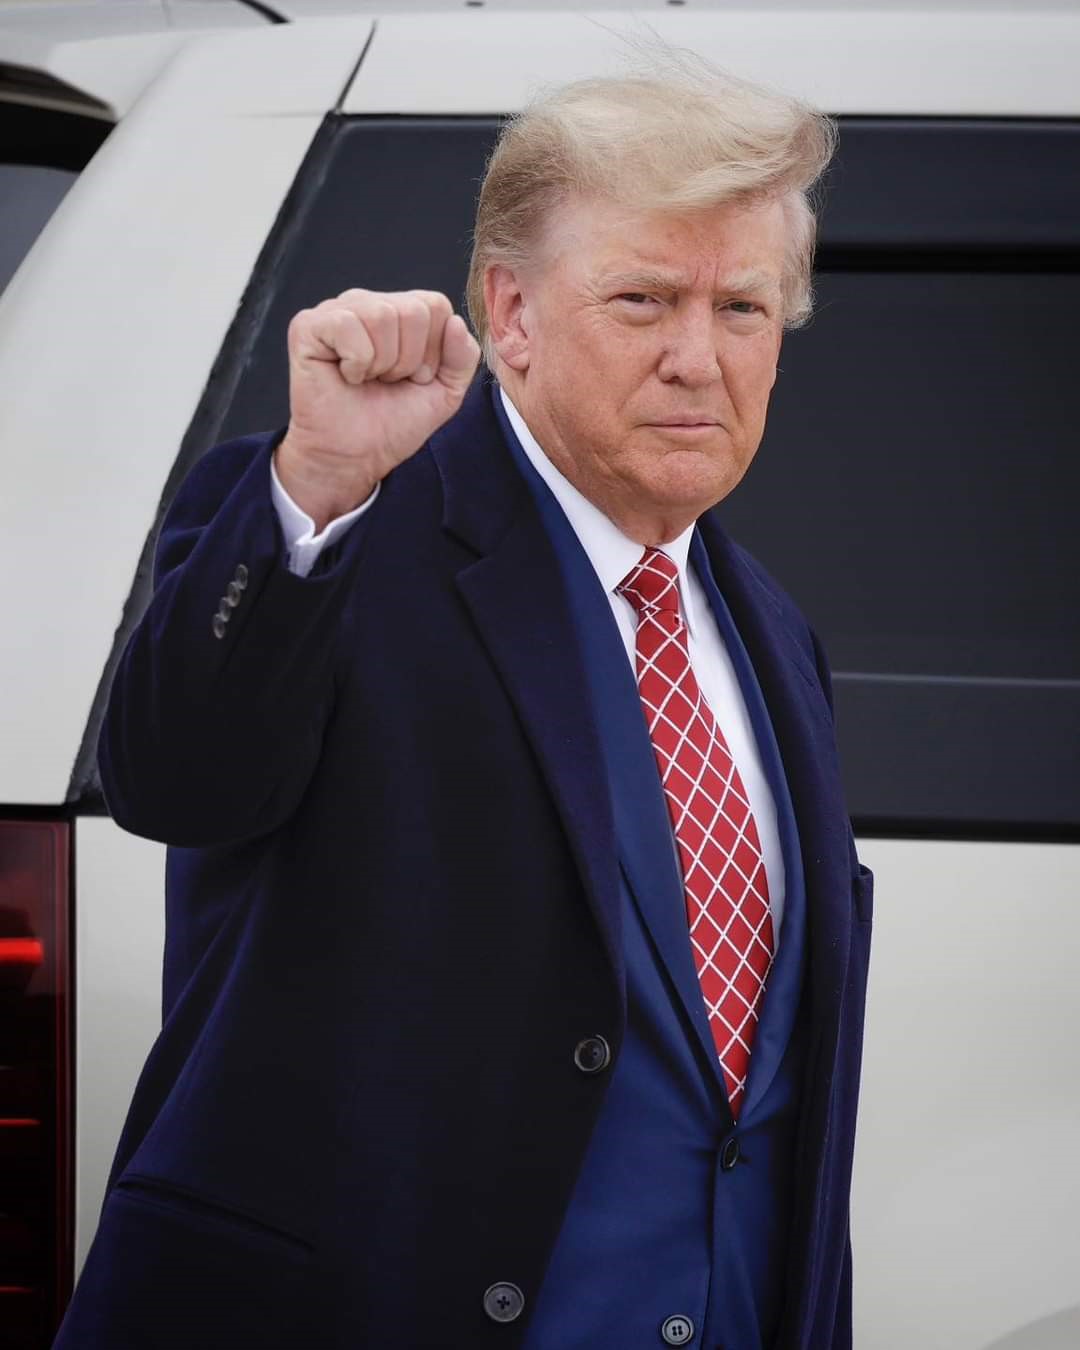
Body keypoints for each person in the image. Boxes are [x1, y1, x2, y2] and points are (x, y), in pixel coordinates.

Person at [56, 62, 873, 1350]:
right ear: (513, 312)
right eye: (643, 299)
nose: (697, 358)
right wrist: (318, 479)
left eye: (742, 308)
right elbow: (177, 779)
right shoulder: (342, 527)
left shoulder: (774, 635)